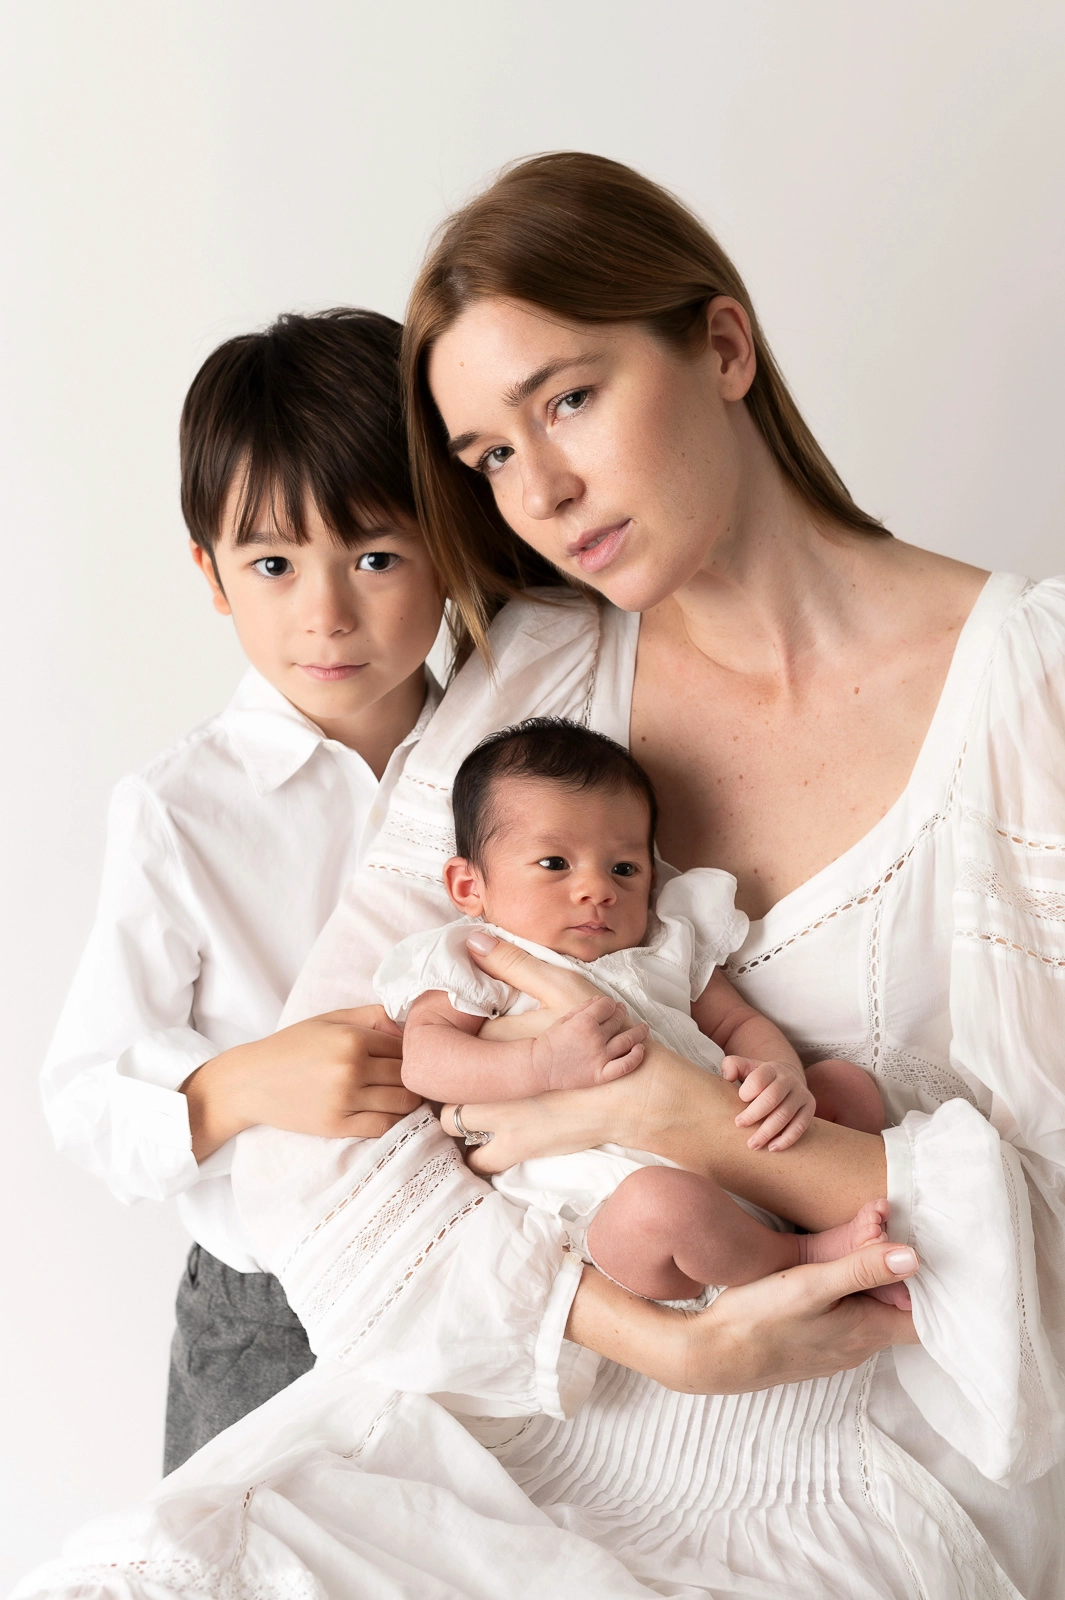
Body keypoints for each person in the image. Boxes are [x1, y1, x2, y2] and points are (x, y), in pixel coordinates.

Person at [17, 154, 1063, 1599]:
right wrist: (655, 1340)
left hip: (845, 1471)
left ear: (722, 345)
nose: (544, 491)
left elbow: (1046, 1246)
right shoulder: (542, 669)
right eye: (491, 457)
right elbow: (321, 1164)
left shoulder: (1030, 695)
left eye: (566, 400)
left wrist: (677, 1113)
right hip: (500, 1419)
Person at [40, 308, 436, 1471]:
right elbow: (85, 1095)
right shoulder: (180, 810)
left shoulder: (512, 757)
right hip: (272, 1316)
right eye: (273, 564)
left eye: (375, 556)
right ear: (211, 575)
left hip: (467, 1281)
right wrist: (248, 1082)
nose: (326, 612)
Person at [384, 716, 895, 1305]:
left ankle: (851, 1234)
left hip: (748, 1157)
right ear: (468, 887)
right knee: (661, 1204)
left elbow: (738, 1023)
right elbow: (425, 1061)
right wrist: (540, 1063)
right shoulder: (473, 959)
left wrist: (779, 1071)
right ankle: (803, 1255)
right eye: (555, 864)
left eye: (623, 869)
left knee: (845, 1086)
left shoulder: (665, 943)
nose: (597, 889)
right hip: (617, 1205)